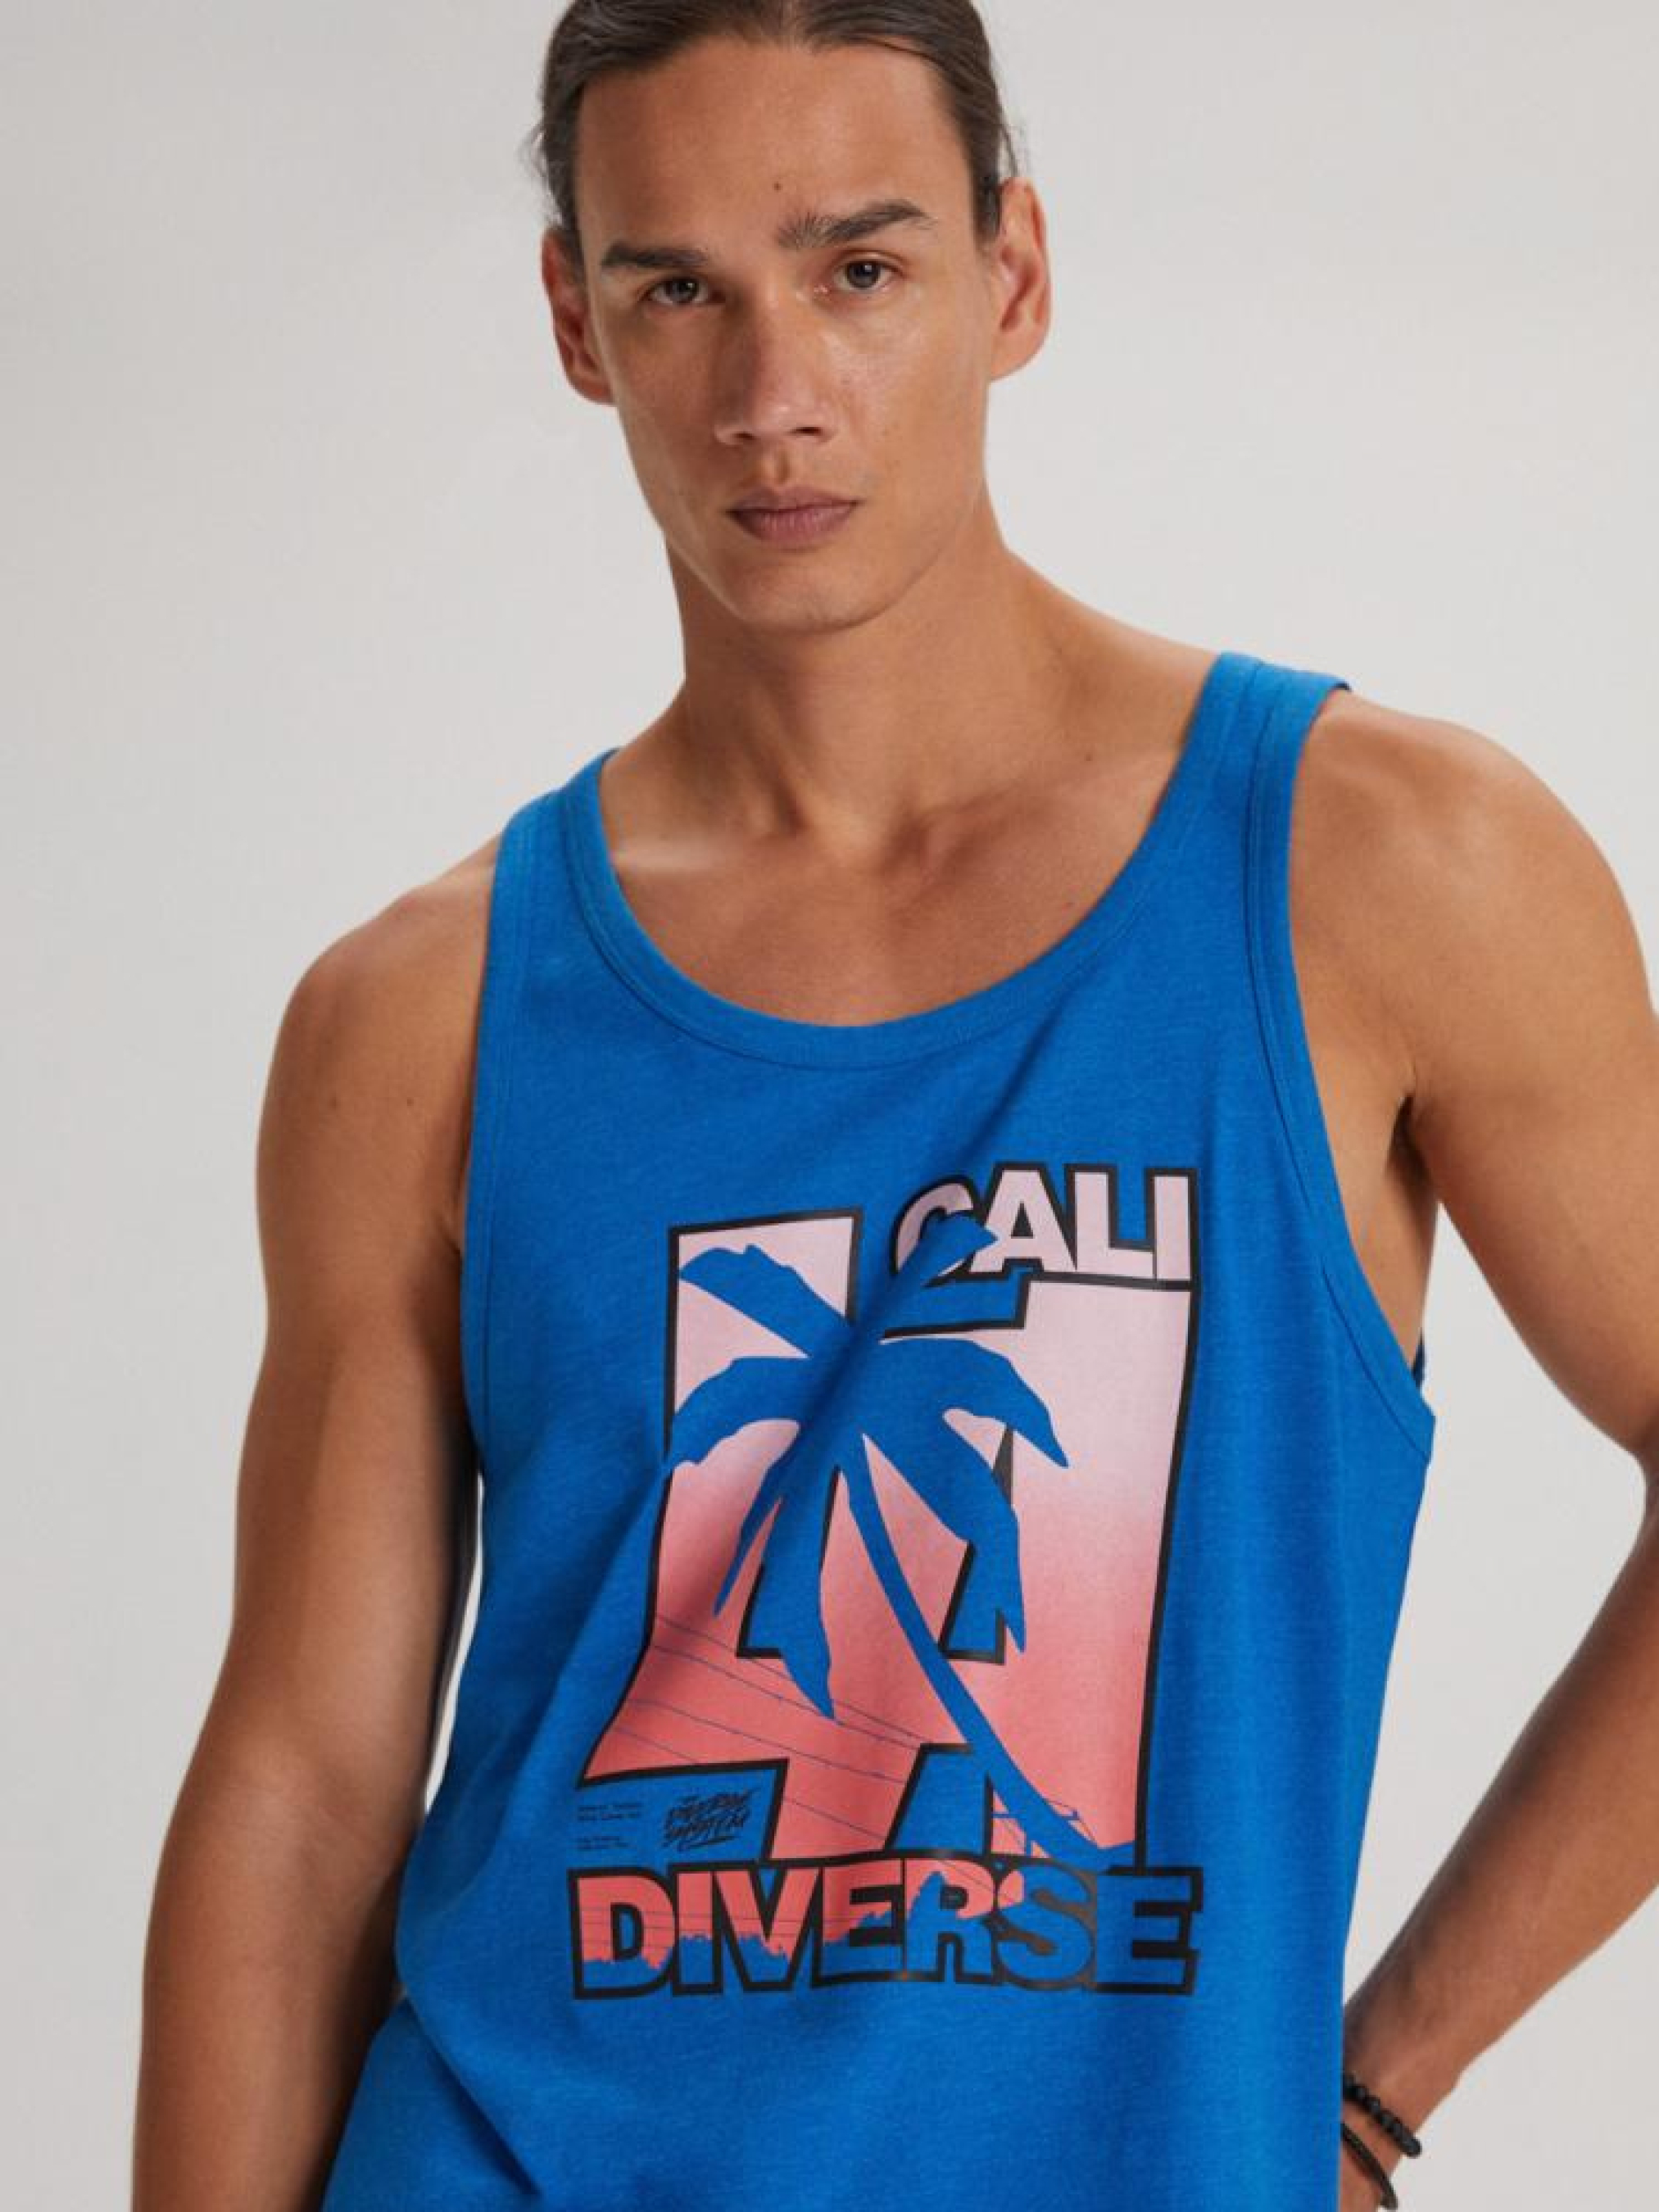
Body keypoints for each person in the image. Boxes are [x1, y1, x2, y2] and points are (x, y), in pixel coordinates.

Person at [132, 7, 1659, 2210]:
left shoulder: (1379, 868)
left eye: (858, 269)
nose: (772, 391)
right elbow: (300, 1791)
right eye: (679, 287)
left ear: (1010, 274)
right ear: (575, 320)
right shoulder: (424, 1011)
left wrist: (1368, 2082)